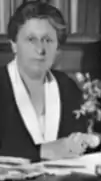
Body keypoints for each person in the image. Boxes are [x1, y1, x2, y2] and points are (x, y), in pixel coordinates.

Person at [0, 1, 100, 162]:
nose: (40, 49)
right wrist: (43, 151)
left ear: (57, 48)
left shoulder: (67, 86)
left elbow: (85, 140)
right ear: (14, 45)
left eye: (48, 40)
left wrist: (87, 141)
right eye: (31, 39)